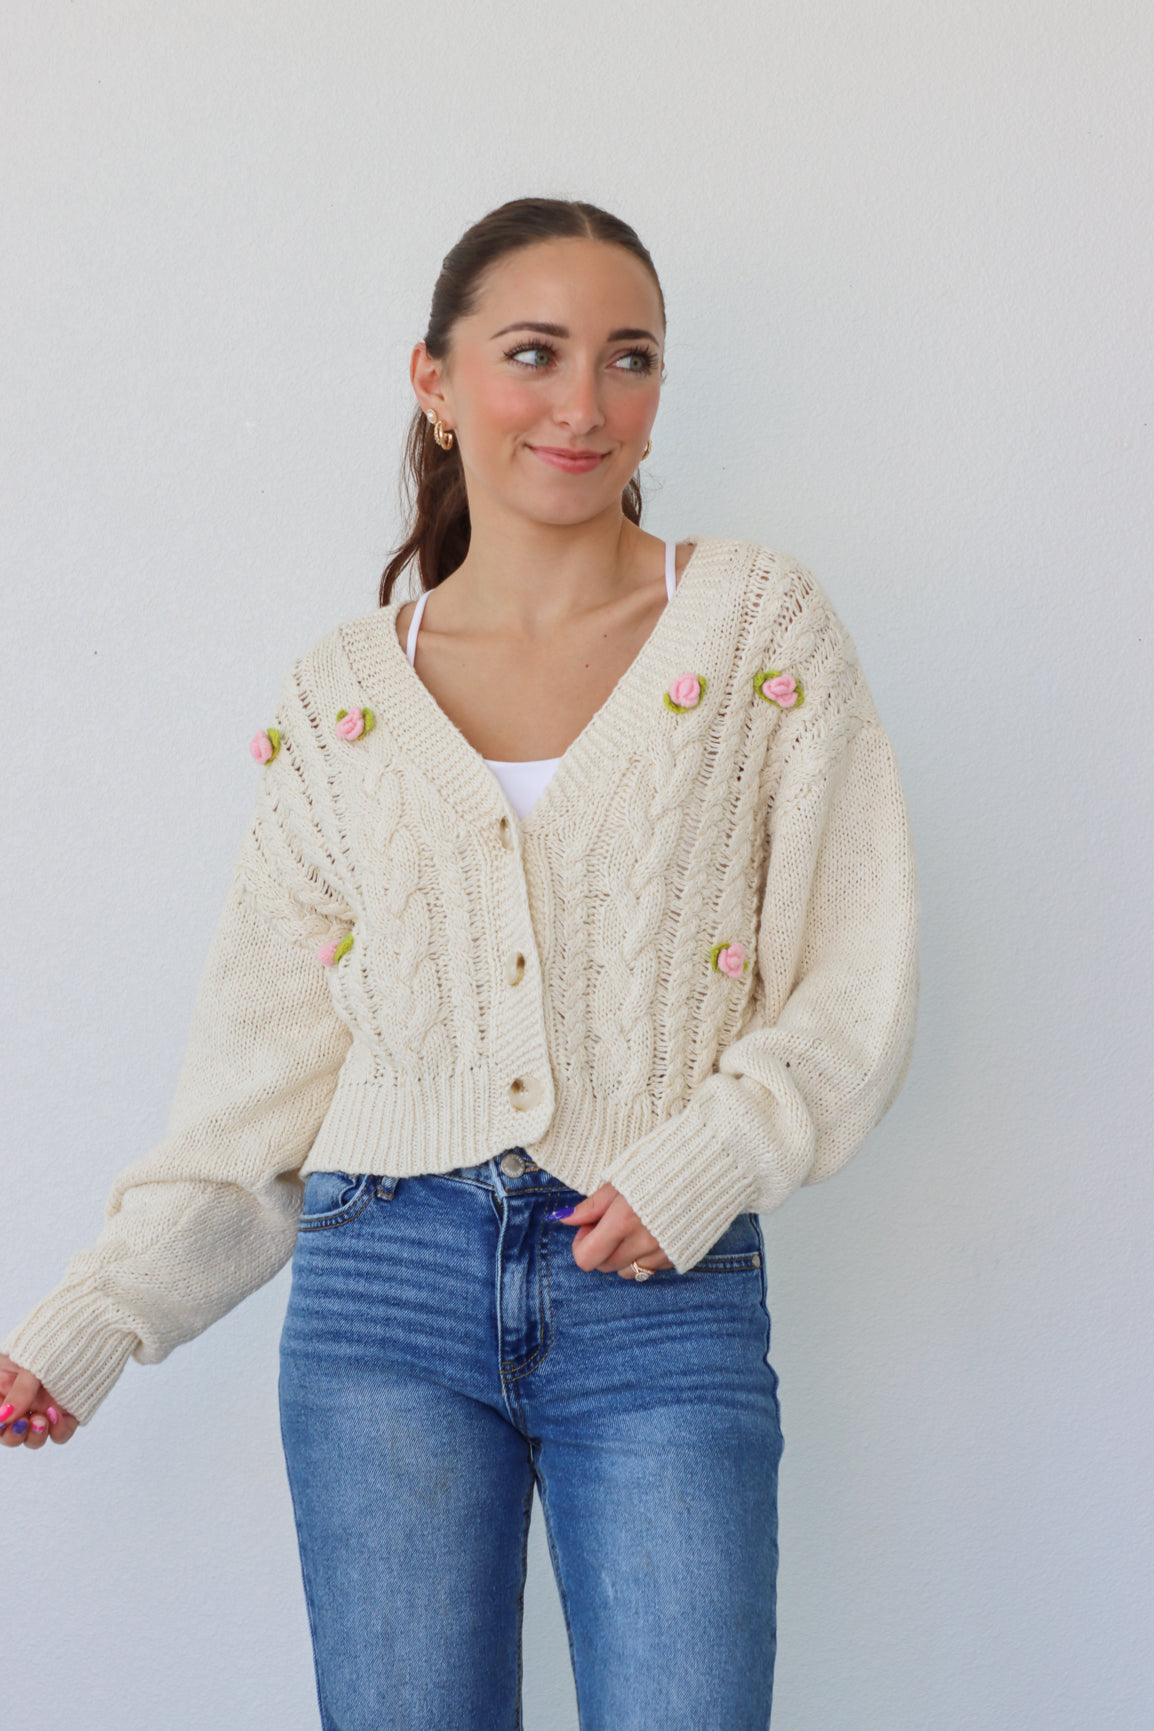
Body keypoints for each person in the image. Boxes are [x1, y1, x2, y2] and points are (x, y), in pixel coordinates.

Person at [1, 196, 919, 1729]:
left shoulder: (756, 625)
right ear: (433, 381)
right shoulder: (344, 699)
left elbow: (854, 971)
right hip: (382, 1302)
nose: (583, 405)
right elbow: (265, 1076)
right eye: (533, 354)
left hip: (659, 1288)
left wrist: (705, 1158)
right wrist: (93, 1323)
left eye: (628, 360)